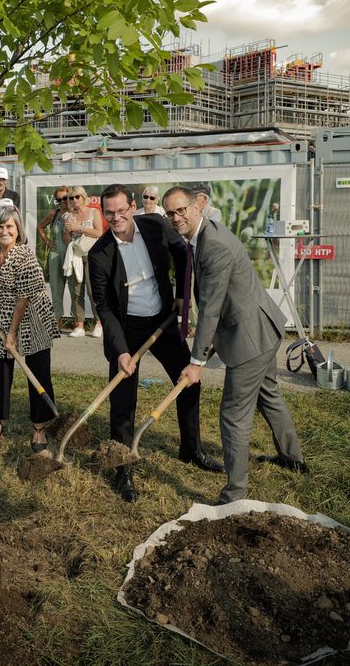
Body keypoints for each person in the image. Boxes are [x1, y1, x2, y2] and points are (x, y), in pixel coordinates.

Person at [164, 186, 305, 505]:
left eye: (181, 210)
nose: (176, 217)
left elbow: (211, 306)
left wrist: (197, 361)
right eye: (170, 213)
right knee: (268, 394)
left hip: (251, 337)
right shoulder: (204, 234)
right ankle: (293, 459)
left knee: (232, 414)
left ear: (197, 206)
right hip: (260, 325)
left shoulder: (214, 244)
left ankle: (235, 494)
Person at [88, 184, 223, 504]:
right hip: (127, 327)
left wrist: (181, 297)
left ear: (132, 206)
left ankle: (191, 450)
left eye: (122, 210)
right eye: (110, 213)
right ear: (104, 214)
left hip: (161, 320)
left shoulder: (155, 225)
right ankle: (122, 466)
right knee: (122, 398)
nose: (117, 217)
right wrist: (121, 350)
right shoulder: (99, 254)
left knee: (188, 379)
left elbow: (183, 253)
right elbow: (104, 307)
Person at [0, 204, 60, 452]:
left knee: (38, 370)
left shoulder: (25, 256)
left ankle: (39, 428)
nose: (4, 231)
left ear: (18, 229)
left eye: (9, 226)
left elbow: (24, 298)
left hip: (31, 314)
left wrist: (12, 333)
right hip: (0, 312)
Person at [61, 185, 104, 338]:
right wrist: (67, 230)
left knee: (93, 291)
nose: (73, 200)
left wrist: (79, 227)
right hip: (76, 256)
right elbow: (66, 240)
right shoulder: (68, 215)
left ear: (83, 197)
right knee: (77, 291)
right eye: (70, 198)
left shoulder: (94, 212)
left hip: (92, 255)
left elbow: (99, 232)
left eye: (76, 197)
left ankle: (99, 323)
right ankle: (79, 325)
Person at [36, 186, 70, 325]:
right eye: (58, 199)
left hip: (73, 256)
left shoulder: (76, 212)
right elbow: (40, 227)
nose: (62, 201)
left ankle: (78, 323)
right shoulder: (53, 214)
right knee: (56, 289)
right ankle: (57, 320)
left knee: (76, 290)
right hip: (56, 256)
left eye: (65, 198)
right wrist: (47, 241)